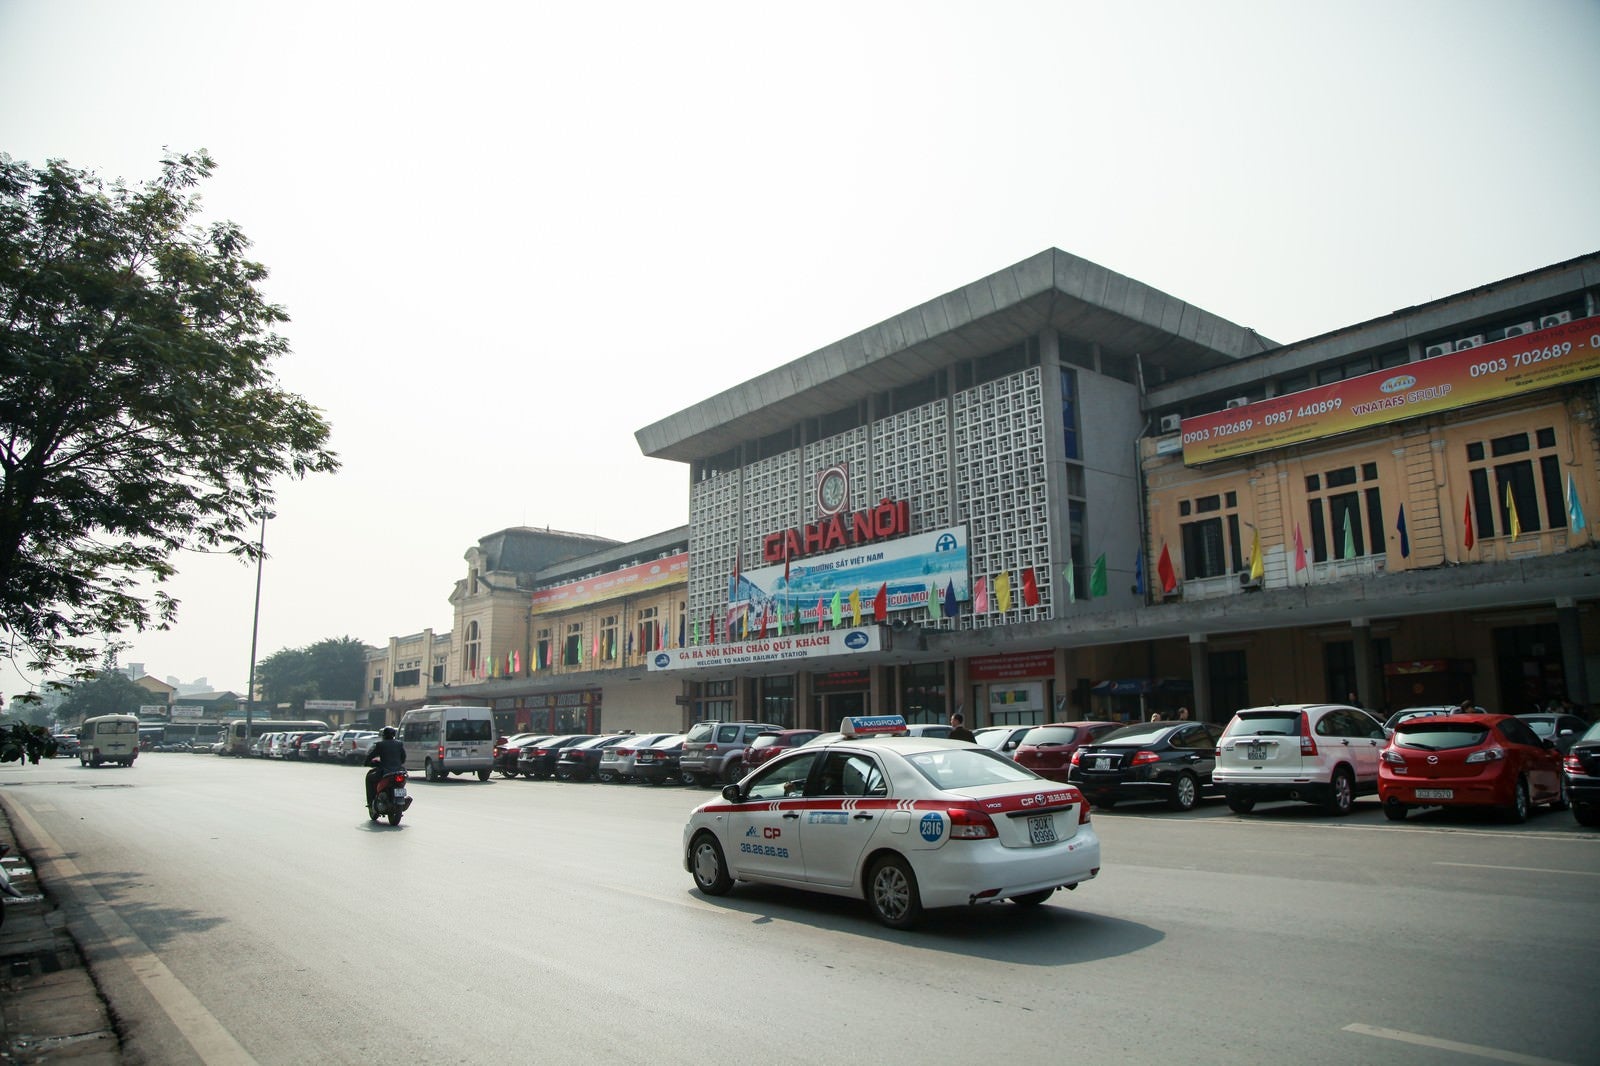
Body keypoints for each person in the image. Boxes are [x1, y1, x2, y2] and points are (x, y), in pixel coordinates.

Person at [365, 726, 406, 807]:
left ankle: (370, 803)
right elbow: (403, 758)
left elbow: (370, 757)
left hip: (385, 772)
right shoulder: (399, 744)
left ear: (384, 735)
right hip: (399, 771)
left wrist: (369, 763)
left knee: (369, 778)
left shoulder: (380, 745)